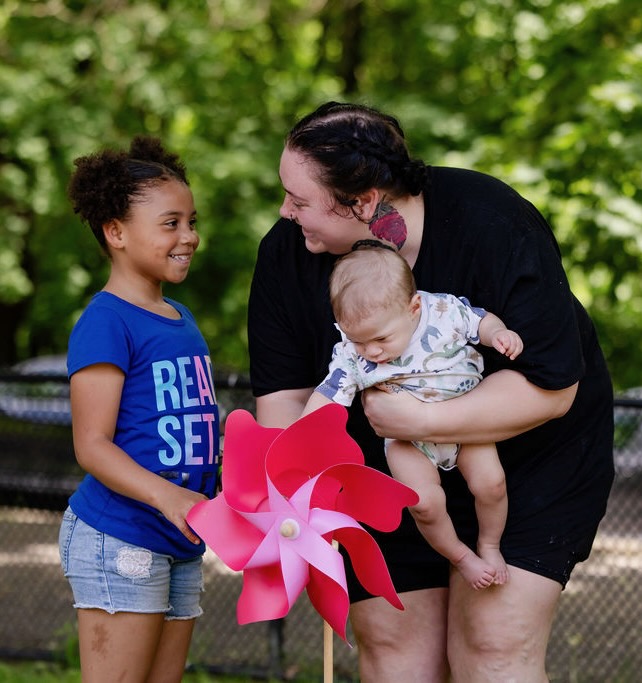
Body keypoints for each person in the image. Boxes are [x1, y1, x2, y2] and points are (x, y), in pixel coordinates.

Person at [247, 101, 614, 682]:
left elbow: (551, 389)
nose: (285, 212)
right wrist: (294, 495)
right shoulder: (287, 254)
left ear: (364, 201)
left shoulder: (492, 221)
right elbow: (285, 404)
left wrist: (417, 421)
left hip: (531, 457)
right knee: (396, 647)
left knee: (491, 645)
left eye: (299, 199)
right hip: (387, 473)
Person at [58, 136, 219, 683]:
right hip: (120, 534)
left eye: (191, 222)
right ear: (117, 232)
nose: (190, 237)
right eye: (170, 224)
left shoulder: (181, 316)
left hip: (180, 537)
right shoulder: (107, 321)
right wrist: (168, 495)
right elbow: (92, 445)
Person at [302, 243, 523, 590]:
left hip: (464, 423)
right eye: (359, 341)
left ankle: (489, 545)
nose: (371, 351)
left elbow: (480, 320)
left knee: (491, 484)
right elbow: (327, 396)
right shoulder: (352, 355)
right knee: (424, 504)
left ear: (413, 307)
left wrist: (497, 334)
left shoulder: (443, 312)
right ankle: (461, 556)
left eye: (380, 338)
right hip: (407, 441)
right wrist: (305, 438)